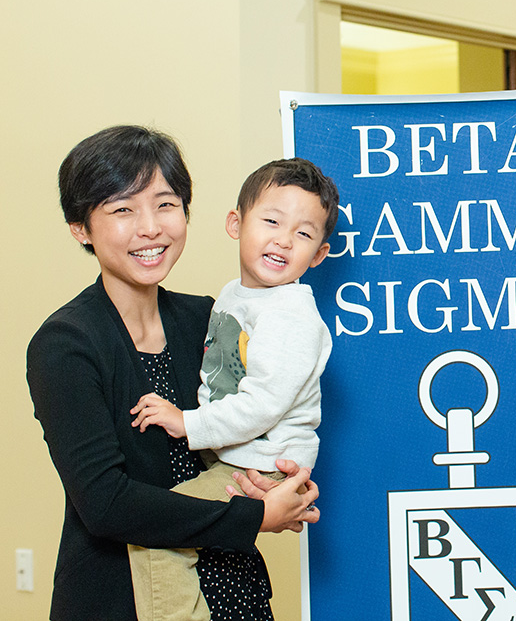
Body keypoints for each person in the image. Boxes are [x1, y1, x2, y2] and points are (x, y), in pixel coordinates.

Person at [26, 126, 321, 621]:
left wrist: (284, 479)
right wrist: (254, 516)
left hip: (233, 588)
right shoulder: (65, 344)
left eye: (166, 204)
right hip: (123, 597)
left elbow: (266, 416)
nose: (151, 228)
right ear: (81, 227)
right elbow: (106, 504)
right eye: (123, 209)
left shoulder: (206, 318)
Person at [127, 157, 338, 620]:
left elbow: (262, 404)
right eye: (271, 221)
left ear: (319, 254)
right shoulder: (237, 294)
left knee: (159, 536)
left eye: (303, 234)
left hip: (260, 463)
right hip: (236, 450)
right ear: (235, 224)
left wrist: (185, 423)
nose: (284, 239)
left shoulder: (290, 316)